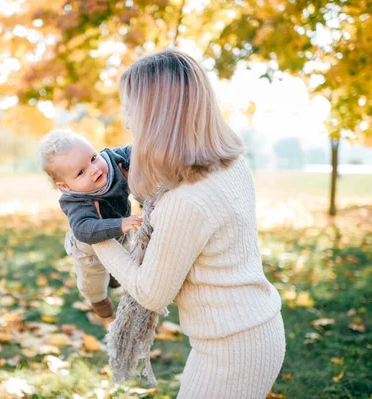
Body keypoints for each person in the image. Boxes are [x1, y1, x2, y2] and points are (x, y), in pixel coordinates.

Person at [90, 49, 285, 398]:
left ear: (155, 116)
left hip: (232, 351)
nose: (127, 121)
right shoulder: (227, 162)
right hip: (251, 328)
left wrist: (95, 233)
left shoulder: (186, 200)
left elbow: (152, 293)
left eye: (131, 108)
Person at [37, 129, 142, 317]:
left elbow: (135, 151)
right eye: (80, 172)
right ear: (66, 186)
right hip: (90, 248)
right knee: (92, 279)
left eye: (93, 158)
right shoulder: (75, 201)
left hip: (121, 230)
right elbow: (83, 229)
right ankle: (98, 299)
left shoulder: (111, 161)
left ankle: (114, 276)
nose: (94, 170)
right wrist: (120, 224)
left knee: (125, 253)